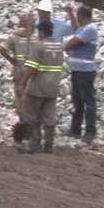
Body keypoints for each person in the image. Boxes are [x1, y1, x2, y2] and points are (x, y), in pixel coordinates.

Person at [19, 19, 66, 153]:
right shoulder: (59, 46)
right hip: (53, 87)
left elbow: (32, 68)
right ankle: (49, 145)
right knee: (49, 116)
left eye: (39, 31)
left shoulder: (39, 46)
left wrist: (23, 82)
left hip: (38, 87)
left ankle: (34, 144)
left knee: (32, 116)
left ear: (42, 31)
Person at [63, 5, 101, 143]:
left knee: (88, 101)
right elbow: (75, 30)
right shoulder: (84, 28)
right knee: (77, 101)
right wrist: (71, 13)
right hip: (77, 69)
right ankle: (75, 129)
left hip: (85, 70)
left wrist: (65, 46)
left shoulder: (90, 29)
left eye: (78, 16)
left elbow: (72, 43)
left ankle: (90, 131)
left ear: (82, 16)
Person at [0, 13, 33, 146]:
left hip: (20, 73)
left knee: (21, 104)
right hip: (32, 75)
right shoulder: (35, 38)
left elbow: (1, 48)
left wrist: (13, 61)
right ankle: (30, 132)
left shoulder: (14, 38)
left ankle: (25, 131)